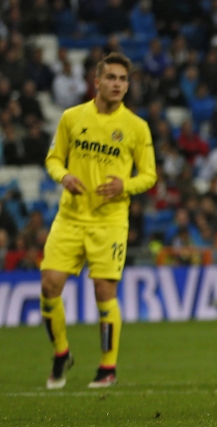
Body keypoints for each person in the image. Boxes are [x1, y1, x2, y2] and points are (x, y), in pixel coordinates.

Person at [41, 53, 157, 389]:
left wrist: (125, 185)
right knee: (49, 284)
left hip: (110, 221)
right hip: (70, 217)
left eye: (123, 79)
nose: (118, 84)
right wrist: (63, 177)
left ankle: (108, 367)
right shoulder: (72, 117)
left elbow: (149, 175)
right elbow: (53, 159)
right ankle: (61, 353)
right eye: (111, 78)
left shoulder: (136, 127)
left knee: (104, 289)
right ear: (97, 82)